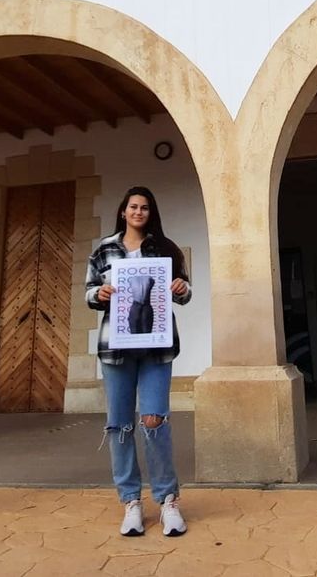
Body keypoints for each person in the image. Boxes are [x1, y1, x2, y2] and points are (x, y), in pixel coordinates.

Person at [86, 187, 192, 538]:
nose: (138, 212)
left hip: (156, 348)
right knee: (119, 425)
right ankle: (131, 501)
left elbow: (186, 292)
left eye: (145, 207)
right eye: (133, 206)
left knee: (154, 420)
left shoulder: (165, 249)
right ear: (123, 211)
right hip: (115, 349)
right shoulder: (104, 249)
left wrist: (180, 289)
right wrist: (98, 294)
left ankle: (168, 500)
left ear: (151, 212)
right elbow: (88, 292)